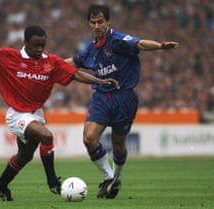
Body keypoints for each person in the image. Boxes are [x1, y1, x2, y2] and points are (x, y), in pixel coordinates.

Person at [0, 25, 119, 201]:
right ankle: (53, 182)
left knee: (24, 156)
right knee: (47, 137)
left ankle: (1, 184)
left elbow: (75, 74)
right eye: (35, 45)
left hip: (35, 113)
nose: (40, 49)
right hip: (17, 114)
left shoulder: (51, 62)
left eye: (42, 45)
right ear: (25, 42)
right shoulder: (9, 57)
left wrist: (100, 82)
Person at [65, 4, 179, 199]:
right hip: (101, 97)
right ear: (89, 24)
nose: (97, 26)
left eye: (100, 22)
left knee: (118, 146)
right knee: (88, 138)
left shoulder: (117, 40)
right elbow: (73, 62)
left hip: (124, 98)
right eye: (93, 23)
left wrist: (159, 46)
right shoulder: (91, 49)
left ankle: (116, 177)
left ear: (108, 22)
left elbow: (140, 44)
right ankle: (109, 178)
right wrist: (48, 65)